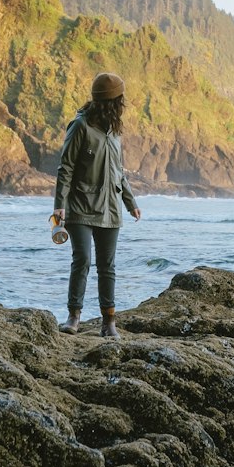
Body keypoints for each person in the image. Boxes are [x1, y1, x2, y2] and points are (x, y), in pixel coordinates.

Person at [54, 71, 141, 339]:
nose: (122, 105)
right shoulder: (80, 126)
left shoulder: (115, 131)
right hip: (80, 205)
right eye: (119, 100)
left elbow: (119, 172)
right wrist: (59, 206)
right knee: (82, 260)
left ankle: (109, 322)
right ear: (110, 102)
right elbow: (65, 167)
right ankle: (73, 316)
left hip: (111, 208)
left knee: (108, 265)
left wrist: (130, 202)